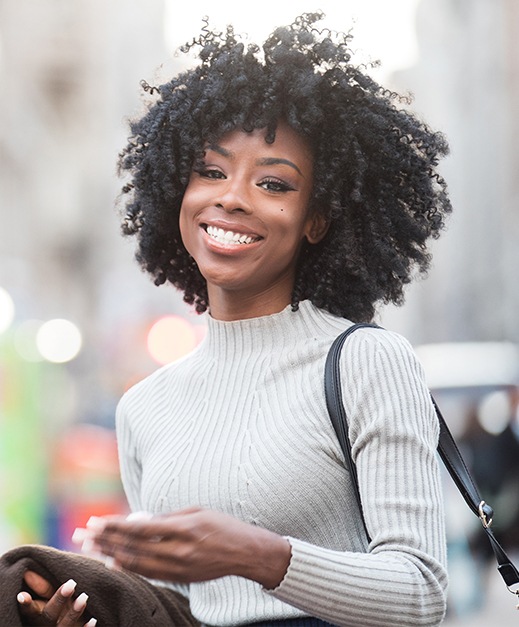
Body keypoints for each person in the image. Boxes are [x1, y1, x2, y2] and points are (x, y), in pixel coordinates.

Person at [14, 11, 452, 627]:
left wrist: (259, 555)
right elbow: (177, 611)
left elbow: (422, 594)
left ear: (316, 220)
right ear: (176, 191)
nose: (233, 197)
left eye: (273, 183)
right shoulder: (144, 407)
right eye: (212, 172)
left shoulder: (364, 361)